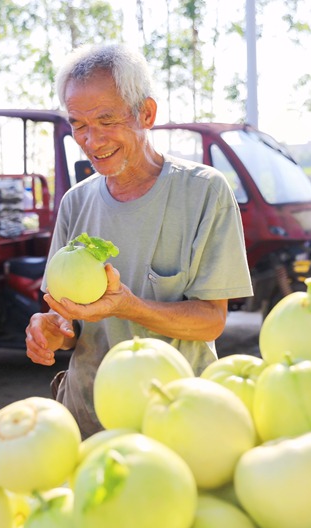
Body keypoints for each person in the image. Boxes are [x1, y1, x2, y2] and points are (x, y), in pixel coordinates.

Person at [25, 44, 252, 437]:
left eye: (106, 120)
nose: (92, 140)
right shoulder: (75, 202)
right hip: (87, 420)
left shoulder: (203, 192)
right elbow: (70, 323)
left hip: (177, 420)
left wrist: (129, 306)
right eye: (78, 124)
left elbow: (211, 321)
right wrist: (52, 330)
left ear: (146, 113)